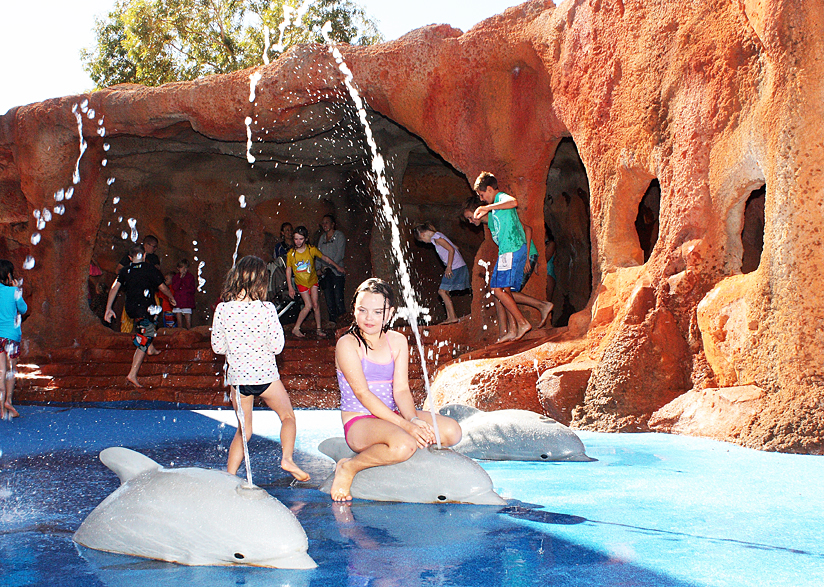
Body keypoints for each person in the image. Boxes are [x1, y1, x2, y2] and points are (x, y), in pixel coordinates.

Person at [329, 278, 462, 502]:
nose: (369, 318)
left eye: (377, 311)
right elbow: (363, 393)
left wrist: (413, 418)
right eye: (362, 310)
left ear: (389, 313)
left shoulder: (397, 341)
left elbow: (401, 389)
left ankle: (396, 453)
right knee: (404, 443)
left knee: (451, 432)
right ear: (354, 310)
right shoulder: (347, 344)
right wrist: (406, 426)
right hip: (360, 421)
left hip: (393, 416)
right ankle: (349, 467)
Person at [211, 256, 310, 482]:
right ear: (261, 282)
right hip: (265, 376)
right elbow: (277, 347)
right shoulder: (266, 309)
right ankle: (287, 458)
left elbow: (218, 347)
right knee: (287, 417)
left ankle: (229, 476)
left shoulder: (223, 309)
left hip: (239, 381)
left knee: (243, 431)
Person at [466, 172, 553, 341]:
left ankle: (522, 323)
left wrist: (487, 207)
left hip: (512, 249)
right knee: (501, 290)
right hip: (506, 251)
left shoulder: (499, 198)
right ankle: (512, 330)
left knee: (498, 289)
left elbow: (513, 202)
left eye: (482, 195)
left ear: (490, 189)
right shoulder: (493, 217)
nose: (482, 200)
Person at [105, 244, 176, 387]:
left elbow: (114, 288)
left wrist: (108, 308)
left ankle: (151, 348)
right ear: (144, 255)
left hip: (132, 308)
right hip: (144, 308)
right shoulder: (150, 269)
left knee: (152, 317)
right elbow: (162, 286)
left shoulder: (125, 270)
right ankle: (133, 373)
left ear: (130, 258)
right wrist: (170, 297)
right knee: (145, 334)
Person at [286, 225, 345, 339]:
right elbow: (288, 270)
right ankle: (296, 328)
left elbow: (325, 258)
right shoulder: (291, 253)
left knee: (316, 304)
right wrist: (290, 287)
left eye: (301, 239)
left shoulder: (311, 250)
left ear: (306, 239)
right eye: (296, 239)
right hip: (301, 282)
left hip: (312, 280)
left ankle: (319, 329)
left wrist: (337, 266)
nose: (298, 242)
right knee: (308, 306)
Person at [413, 222, 470, 324]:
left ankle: (453, 317)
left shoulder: (436, 238)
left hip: (454, 267)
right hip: (458, 265)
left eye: (423, 241)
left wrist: (449, 266)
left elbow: (451, 250)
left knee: (442, 291)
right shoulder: (439, 235)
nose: (425, 243)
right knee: (445, 292)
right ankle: (450, 317)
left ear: (422, 234)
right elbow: (456, 247)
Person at [115, 235, 161, 334]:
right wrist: (131, 275)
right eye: (154, 246)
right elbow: (118, 269)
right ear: (146, 245)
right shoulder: (132, 254)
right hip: (133, 292)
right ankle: (126, 337)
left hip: (149, 292)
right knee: (129, 316)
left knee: (152, 315)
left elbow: (157, 275)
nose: (155, 249)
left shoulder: (154, 258)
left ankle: (149, 338)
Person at [0, 260, 27, 419]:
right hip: (12, 335)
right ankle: (8, 400)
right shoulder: (13, 292)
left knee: (1, 370)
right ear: (9, 275)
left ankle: (1, 407)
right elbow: (23, 309)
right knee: (11, 370)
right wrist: (17, 290)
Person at [316, 214, 347, 324]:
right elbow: (318, 254)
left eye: (327, 222)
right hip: (325, 273)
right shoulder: (322, 238)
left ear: (333, 224)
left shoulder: (339, 236)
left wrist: (330, 266)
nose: (324, 225)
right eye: (323, 223)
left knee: (338, 299)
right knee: (329, 300)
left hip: (336, 272)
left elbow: (340, 254)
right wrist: (318, 268)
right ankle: (333, 323)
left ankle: (343, 323)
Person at [172, 258, 196, 329]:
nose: (184, 270)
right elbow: (175, 287)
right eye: (182, 268)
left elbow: (192, 289)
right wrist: (180, 278)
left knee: (188, 322)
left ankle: (188, 335)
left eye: (185, 268)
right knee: (179, 323)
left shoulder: (190, 277)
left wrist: (184, 291)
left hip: (187, 301)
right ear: (178, 268)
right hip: (178, 302)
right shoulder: (176, 277)